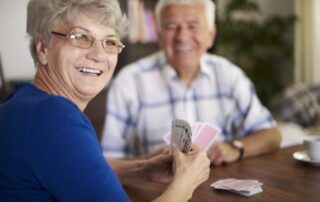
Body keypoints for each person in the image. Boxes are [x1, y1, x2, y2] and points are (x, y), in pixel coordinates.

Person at [0, 0, 210, 201]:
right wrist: (186, 182)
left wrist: (143, 169)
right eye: (80, 37)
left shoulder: (24, 102)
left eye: (110, 42)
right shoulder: (55, 117)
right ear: (43, 48)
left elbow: (71, 170)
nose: (98, 55)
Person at [101, 0, 282, 165]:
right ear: (159, 34)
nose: (182, 36)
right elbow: (109, 162)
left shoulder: (229, 75)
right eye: (172, 26)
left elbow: (272, 134)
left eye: (193, 26)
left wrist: (235, 148)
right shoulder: (128, 82)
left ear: (211, 35)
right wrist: (149, 164)